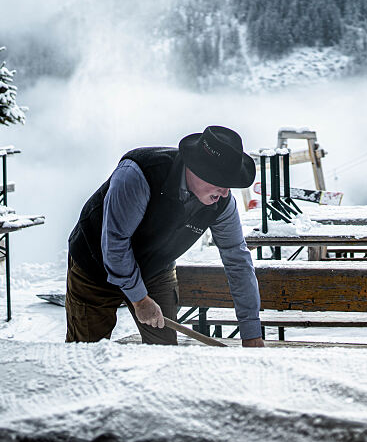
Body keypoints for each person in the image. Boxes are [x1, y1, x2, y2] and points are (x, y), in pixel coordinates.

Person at [65, 125, 264, 347]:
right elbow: (115, 244)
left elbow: (238, 260)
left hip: (155, 269)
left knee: (164, 353)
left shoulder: (222, 204)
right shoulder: (138, 175)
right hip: (94, 265)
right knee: (86, 353)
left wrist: (251, 333)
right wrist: (139, 299)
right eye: (219, 183)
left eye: (229, 185)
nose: (226, 193)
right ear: (196, 170)